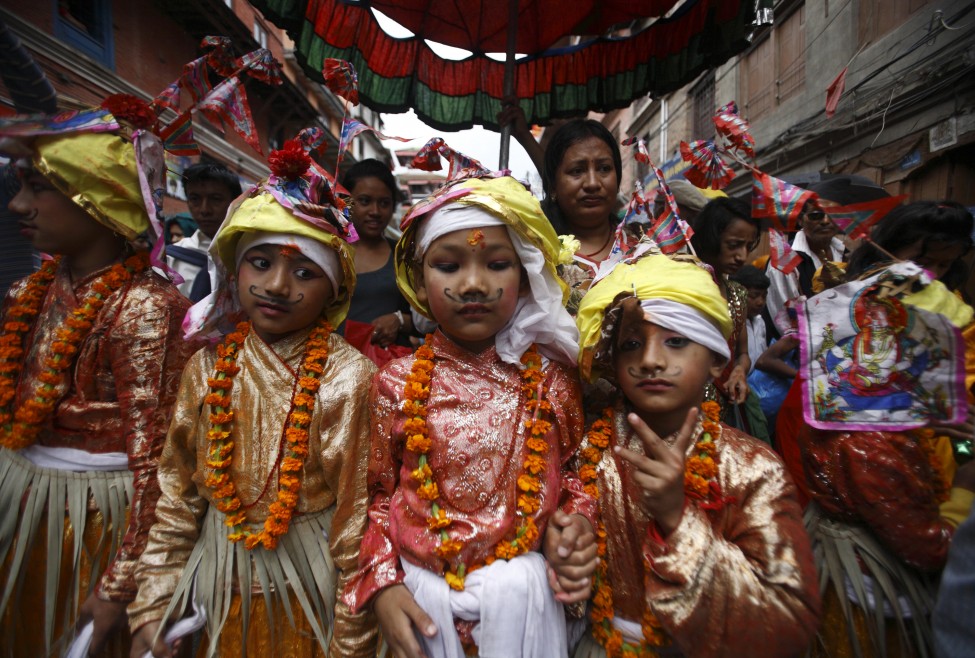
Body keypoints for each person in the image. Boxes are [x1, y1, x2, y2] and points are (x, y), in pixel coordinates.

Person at [127, 141, 379, 657]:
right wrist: (153, 602)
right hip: (215, 579)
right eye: (259, 263)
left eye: (305, 273)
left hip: (310, 586)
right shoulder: (207, 367)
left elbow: (356, 519)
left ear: (333, 292)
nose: (277, 285)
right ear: (234, 273)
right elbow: (177, 494)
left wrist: (350, 640)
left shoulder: (348, 377)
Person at [344, 174, 597, 657]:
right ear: (419, 280)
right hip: (421, 607)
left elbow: (576, 481)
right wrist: (382, 582)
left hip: (527, 610)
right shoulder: (395, 383)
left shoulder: (552, 381)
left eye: (497, 264)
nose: (474, 284)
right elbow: (374, 497)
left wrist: (577, 526)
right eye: (449, 266)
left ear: (522, 277)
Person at [0, 96, 200, 656]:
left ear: (101, 200)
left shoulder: (146, 308)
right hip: (25, 504)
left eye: (40, 188)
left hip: (94, 525)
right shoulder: (27, 293)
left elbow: (162, 461)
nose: (19, 205)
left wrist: (121, 584)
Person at [568, 253, 820, 657]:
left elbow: (787, 624)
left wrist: (677, 518)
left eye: (677, 341)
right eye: (631, 344)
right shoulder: (585, 452)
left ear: (718, 361)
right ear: (612, 363)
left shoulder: (754, 467)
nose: (650, 360)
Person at [500, 107, 628, 314]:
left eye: (604, 168)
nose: (593, 183)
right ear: (553, 188)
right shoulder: (537, 255)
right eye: (577, 171)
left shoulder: (642, 247)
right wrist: (524, 136)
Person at [689, 197, 768, 441]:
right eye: (733, 245)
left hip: (726, 405)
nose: (741, 256)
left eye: (747, 246)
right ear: (713, 239)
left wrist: (739, 373)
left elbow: (742, 353)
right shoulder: (683, 285)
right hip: (686, 406)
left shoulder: (737, 292)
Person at [341, 158, 414, 349]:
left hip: (388, 368)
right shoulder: (326, 251)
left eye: (384, 203)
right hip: (327, 368)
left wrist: (399, 320)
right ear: (347, 202)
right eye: (365, 201)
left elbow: (429, 319)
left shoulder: (404, 255)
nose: (375, 211)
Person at [764, 198, 846, 336]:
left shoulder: (845, 254)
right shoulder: (784, 261)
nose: (826, 221)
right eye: (816, 215)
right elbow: (788, 325)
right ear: (800, 220)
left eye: (833, 214)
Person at [166, 162, 242, 301]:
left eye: (215, 199)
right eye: (195, 199)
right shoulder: (170, 260)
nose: (204, 210)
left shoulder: (246, 260)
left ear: (235, 203)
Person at [728, 264, 770, 373]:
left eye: (764, 296)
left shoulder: (760, 322)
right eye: (754, 296)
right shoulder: (733, 323)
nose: (760, 302)